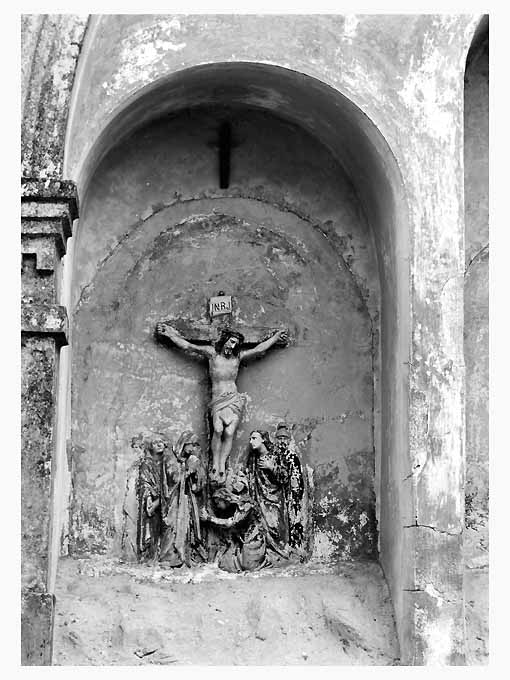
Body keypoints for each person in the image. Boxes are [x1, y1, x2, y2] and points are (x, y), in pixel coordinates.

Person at [155, 323, 289, 484]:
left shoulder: (237, 358)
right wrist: (170, 334)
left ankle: (222, 466)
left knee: (229, 432)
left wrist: (275, 338)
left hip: (233, 399)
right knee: (218, 430)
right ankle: (215, 462)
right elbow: (189, 346)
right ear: (224, 340)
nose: (232, 346)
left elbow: (259, 349)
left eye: (235, 344)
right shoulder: (212, 354)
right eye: (230, 341)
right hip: (218, 400)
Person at [159, 430, 207, 567]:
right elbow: (174, 479)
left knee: (185, 525)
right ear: (184, 443)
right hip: (173, 500)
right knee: (172, 525)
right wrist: (189, 469)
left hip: (185, 499)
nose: (193, 448)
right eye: (191, 444)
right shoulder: (170, 457)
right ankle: (168, 557)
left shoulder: (187, 459)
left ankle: (183, 556)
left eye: (195, 445)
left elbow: (196, 485)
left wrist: (196, 470)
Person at [247, 430, 290, 554]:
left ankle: (280, 551)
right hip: (260, 499)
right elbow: (250, 476)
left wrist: (271, 467)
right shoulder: (253, 457)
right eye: (250, 438)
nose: (251, 442)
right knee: (261, 527)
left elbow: (285, 477)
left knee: (275, 527)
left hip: (274, 499)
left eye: (254, 438)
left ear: (263, 439)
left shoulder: (275, 455)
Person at [137, 434, 167, 561]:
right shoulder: (146, 464)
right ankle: (151, 556)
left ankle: (163, 555)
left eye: (161, 442)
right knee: (152, 528)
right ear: (150, 447)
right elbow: (144, 482)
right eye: (156, 443)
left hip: (166, 500)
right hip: (153, 499)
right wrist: (149, 499)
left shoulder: (167, 462)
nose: (160, 444)